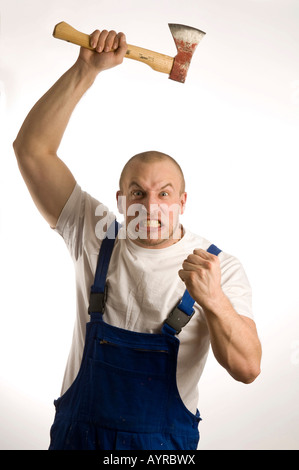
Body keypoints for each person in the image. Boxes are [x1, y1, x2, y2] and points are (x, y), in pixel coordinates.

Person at [13, 28, 262, 450]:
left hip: (163, 449)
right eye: (137, 193)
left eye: (164, 193)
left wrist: (214, 300)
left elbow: (247, 368)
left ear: (183, 201)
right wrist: (85, 70)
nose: (150, 205)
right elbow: (32, 150)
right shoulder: (92, 231)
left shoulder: (219, 267)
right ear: (119, 199)